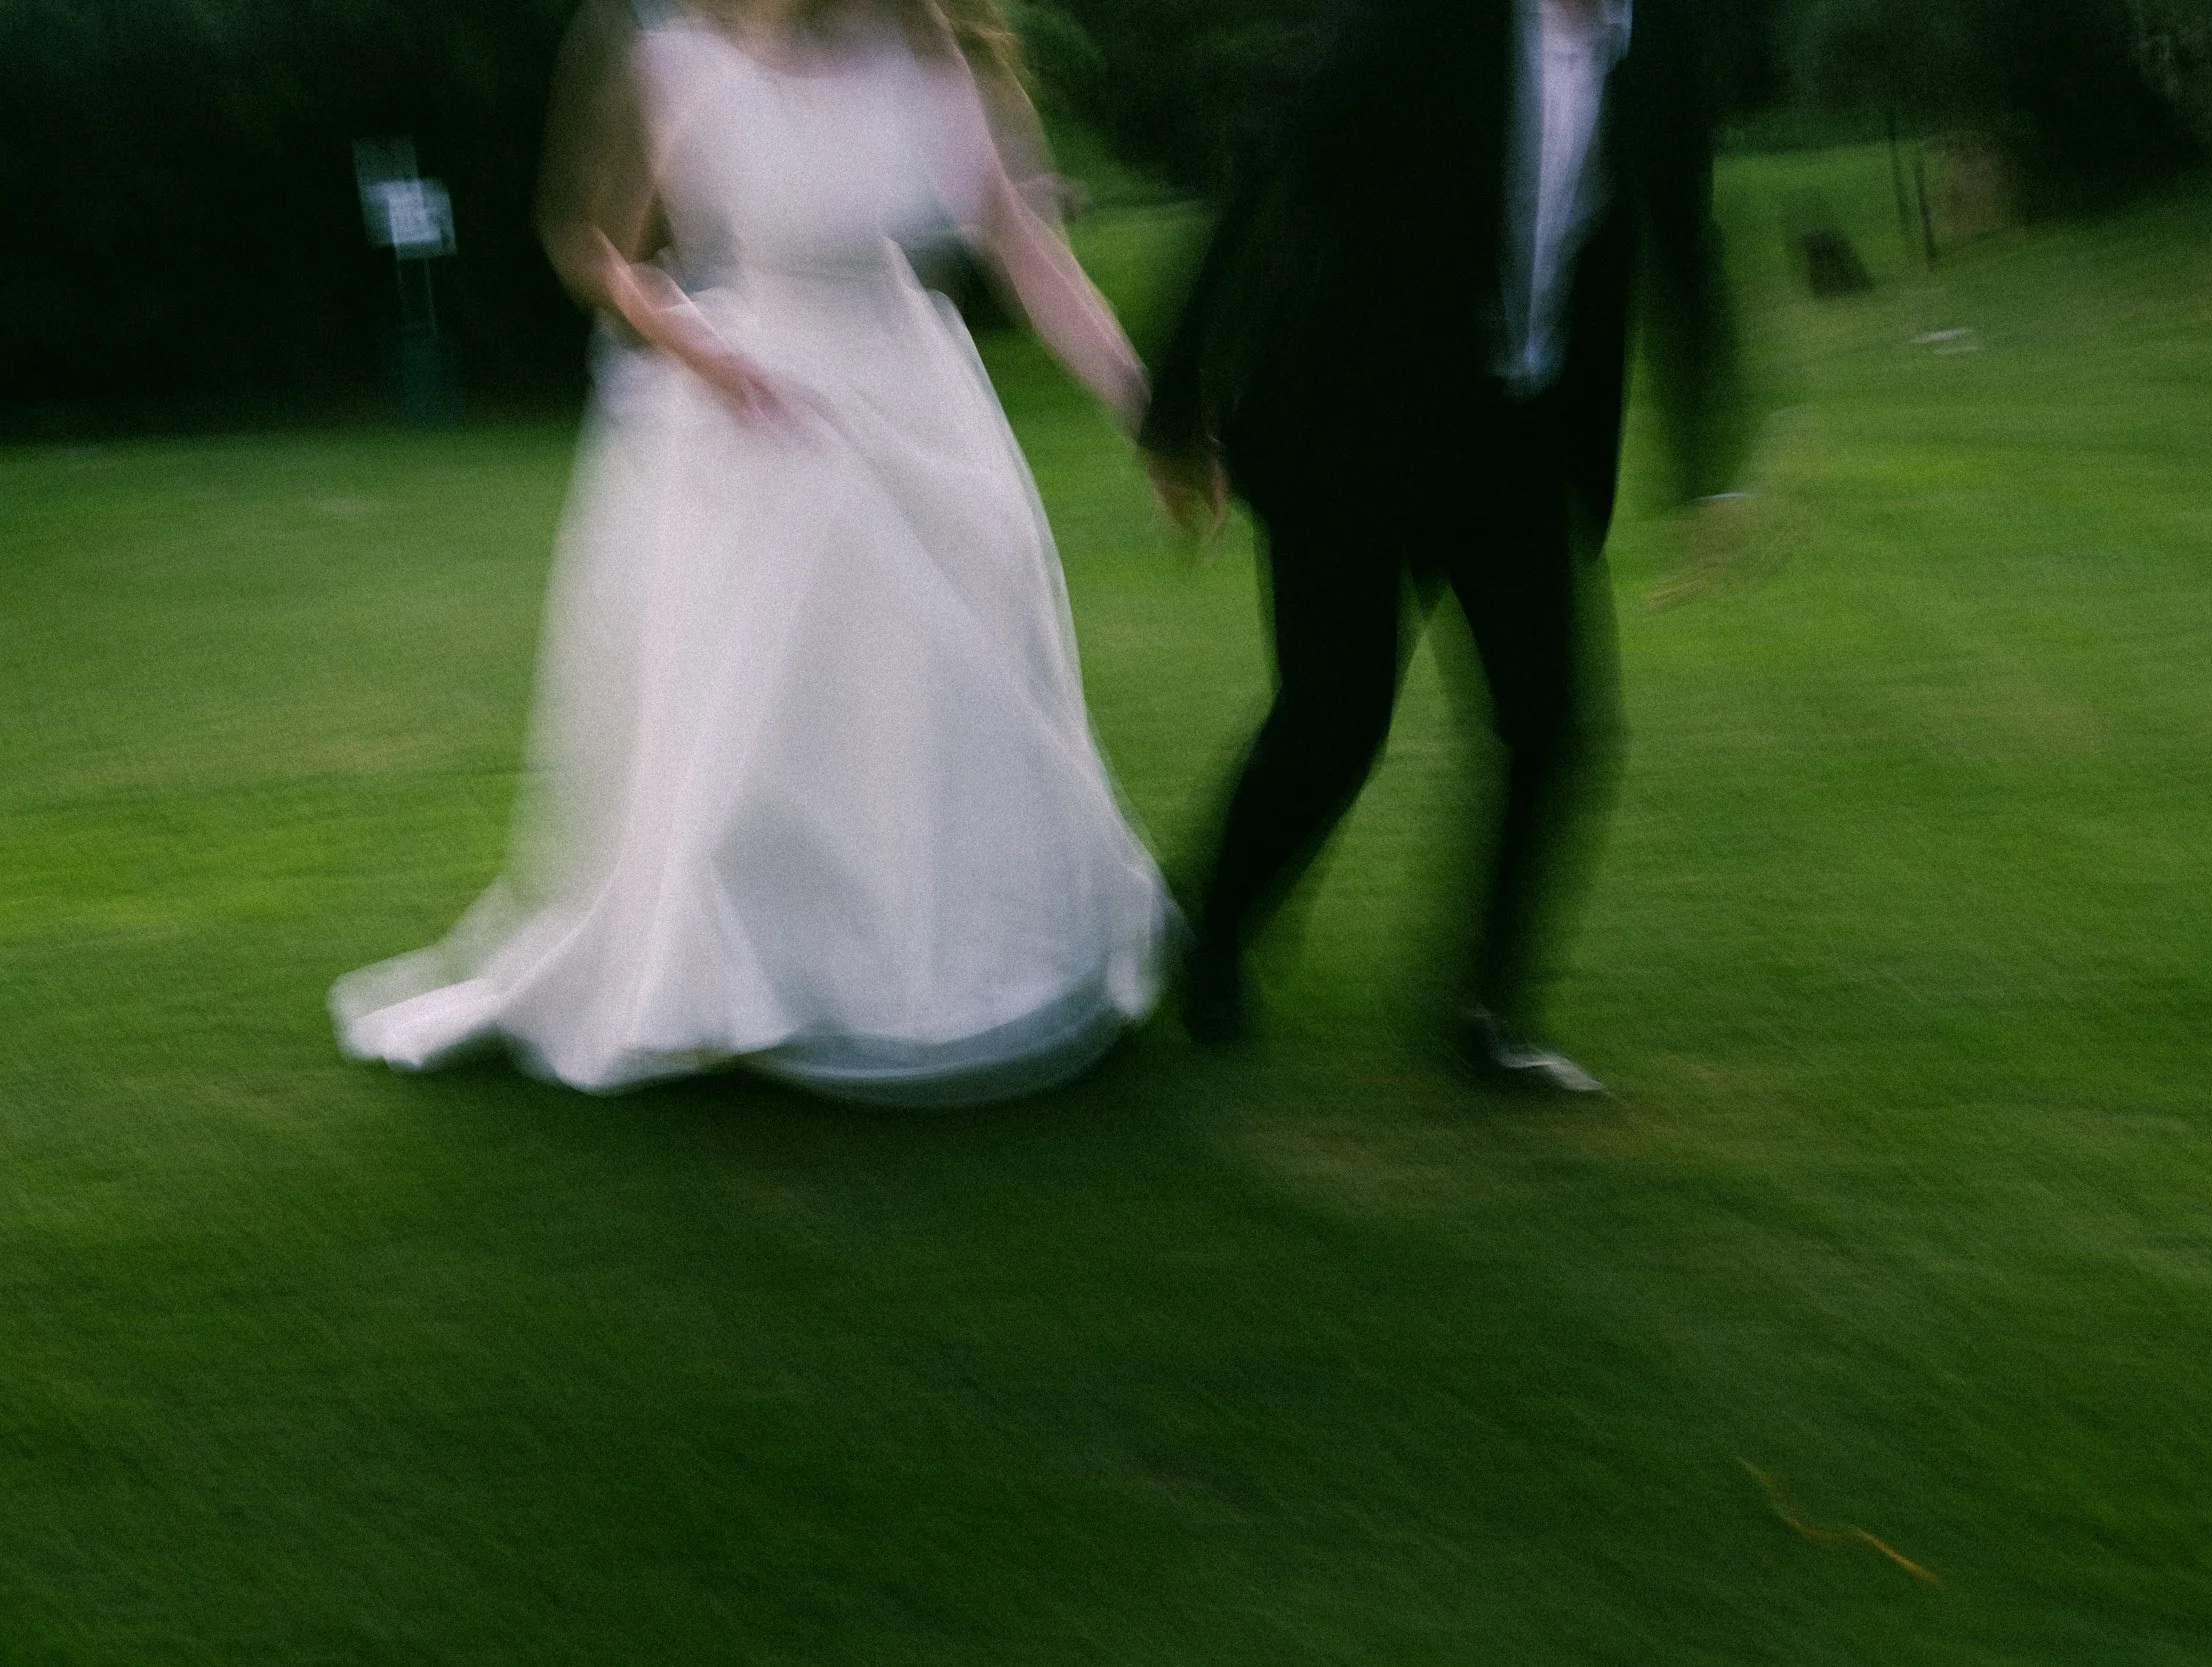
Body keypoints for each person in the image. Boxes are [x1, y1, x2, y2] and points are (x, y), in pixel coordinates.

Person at [331, 0, 1169, 1105]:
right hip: (757, 425)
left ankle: (926, 969)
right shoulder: (670, 61)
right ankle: (753, 976)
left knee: (930, 698)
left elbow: (1028, 253)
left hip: (919, 406)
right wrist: (692, 340)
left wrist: (1153, 411)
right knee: (765, 724)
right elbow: (592, 247)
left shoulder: (928, 62)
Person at [1141, 0, 1751, 1093]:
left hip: (1512, 438)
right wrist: (1177, 406)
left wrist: (1709, 462)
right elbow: (1274, 176)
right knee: (1334, 723)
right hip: (1348, 427)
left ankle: (1485, 1011)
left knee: (1554, 722)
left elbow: (1682, 237)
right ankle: (1211, 929)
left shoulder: (1653, 45)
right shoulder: (1421, 25)